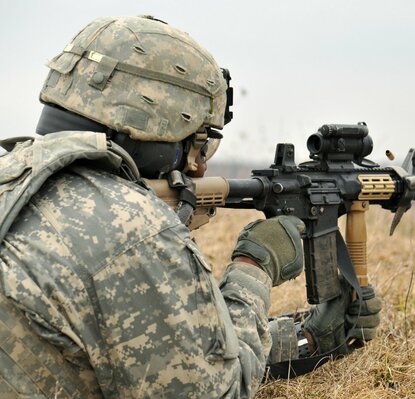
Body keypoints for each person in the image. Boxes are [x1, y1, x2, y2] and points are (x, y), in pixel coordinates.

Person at [0, 16, 381, 398]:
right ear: (156, 128)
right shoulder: (130, 228)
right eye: (200, 142)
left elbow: (162, 355)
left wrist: (308, 338)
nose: (200, 166)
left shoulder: (12, 177)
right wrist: (255, 267)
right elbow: (213, 391)